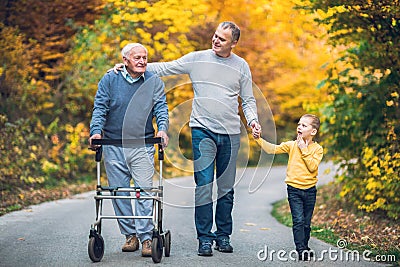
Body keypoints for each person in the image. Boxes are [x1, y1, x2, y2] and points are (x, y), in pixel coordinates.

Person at [113, 21, 262, 256]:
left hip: (232, 134)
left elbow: (248, 99)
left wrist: (253, 120)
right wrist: (132, 66)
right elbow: (165, 68)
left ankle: (223, 235)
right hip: (202, 130)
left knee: (225, 189)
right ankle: (204, 238)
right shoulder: (197, 58)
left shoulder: (241, 66)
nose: (215, 40)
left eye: (222, 39)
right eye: (215, 36)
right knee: (203, 186)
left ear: (233, 43)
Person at [89, 43, 169, 257]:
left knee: (143, 191)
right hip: (113, 144)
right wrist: (96, 132)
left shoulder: (153, 81)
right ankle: (130, 235)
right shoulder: (109, 79)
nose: (142, 61)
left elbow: (161, 108)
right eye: (137, 57)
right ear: (125, 60)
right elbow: (100, 107)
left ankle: (146, 239)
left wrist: (162, 130)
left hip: (142, 144)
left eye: (145, 57)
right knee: (119, 192)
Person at [254, 114, 323, 261]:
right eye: (299, 124)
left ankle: (304, 245)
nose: (299, 127)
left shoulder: (317, 149)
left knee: (306, 222)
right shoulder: (291, 145)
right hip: (294, 189)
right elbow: (272, 149)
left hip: (310, 190)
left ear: (313, 132)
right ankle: (301, 249)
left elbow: (312, 167)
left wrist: (304, 149)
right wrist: (258, 139)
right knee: (298, 220)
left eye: (304, 125)